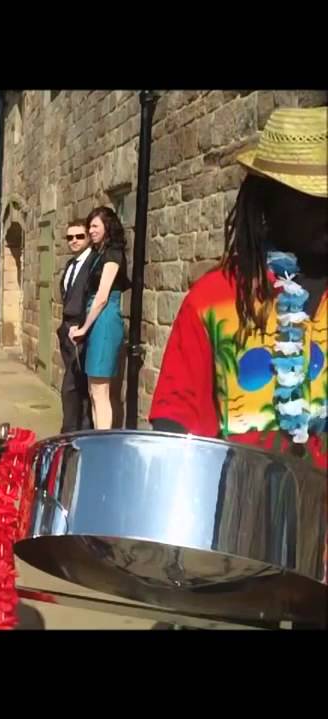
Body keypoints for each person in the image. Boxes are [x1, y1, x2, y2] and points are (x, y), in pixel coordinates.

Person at [151, 106, 326, 468]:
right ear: (268, 200)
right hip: (244, 515)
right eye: (311, 200)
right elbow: (177, 425)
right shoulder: (212, 299)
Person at [70, 206, 130, 429]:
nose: (90, 230)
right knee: (93, 390)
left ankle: (102, 444)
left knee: (100, 391)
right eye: (90, 226)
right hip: (96, 319)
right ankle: (97, 438)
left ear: (108, 226)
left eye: (95, 226)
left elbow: (102, 296)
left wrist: (84, 328)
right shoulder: (99, 254)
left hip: (104, 321)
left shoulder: (113, 254)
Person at [57, 221, 95, 432]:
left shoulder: (92, 262)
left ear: (88, 237)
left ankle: (71, 433)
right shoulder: (72, 264)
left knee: (71, 388)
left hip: (81, 330)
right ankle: (78, 431)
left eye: (79, 236)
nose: (74, 241)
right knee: (76, 386)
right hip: (67, 330)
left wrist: (82, 327)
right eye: (70, 237)